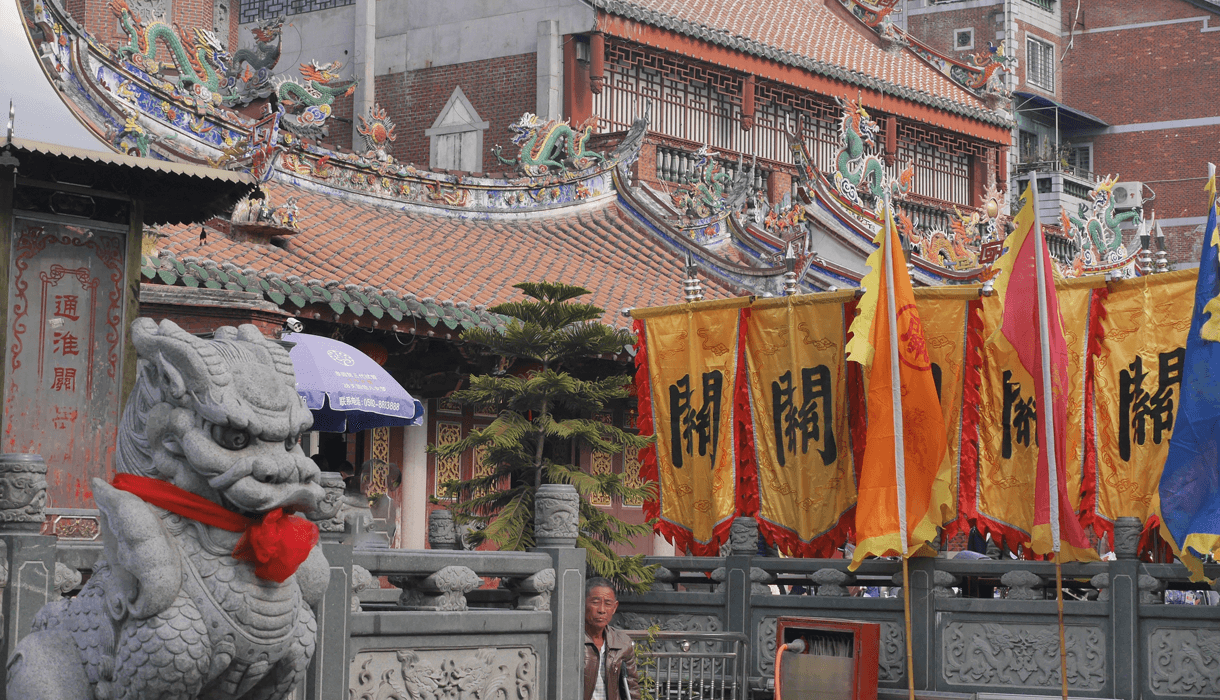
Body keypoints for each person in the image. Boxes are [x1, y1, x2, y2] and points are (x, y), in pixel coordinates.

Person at [583, 577, 640, 700]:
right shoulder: (570, 640)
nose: (602, 610)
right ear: (583, 603)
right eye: (595, 602)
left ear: (614, 607)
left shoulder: (622, 643)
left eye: (608, 604)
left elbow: (632, 690)